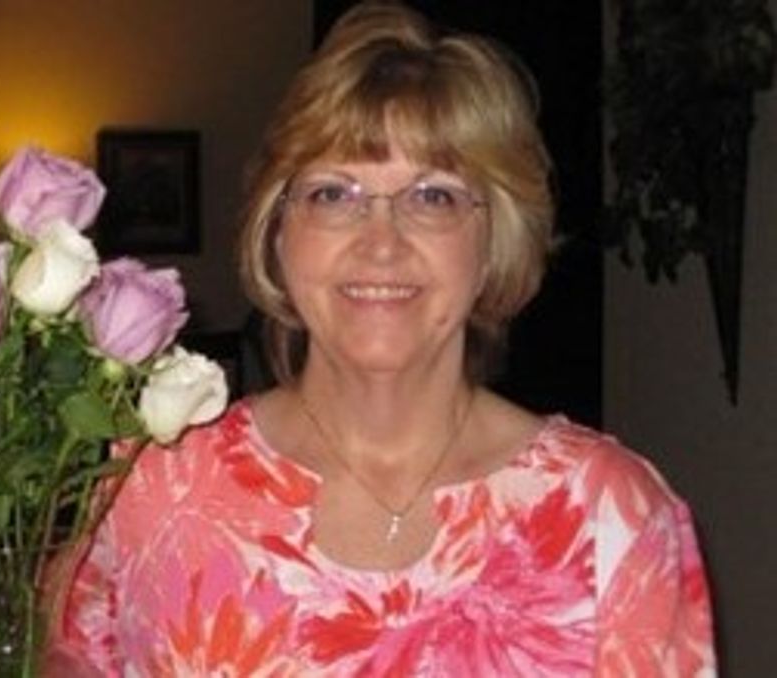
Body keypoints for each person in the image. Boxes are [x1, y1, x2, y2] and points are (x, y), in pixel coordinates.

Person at [46, 2, 716, 674]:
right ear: (278, 232)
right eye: (334, 194)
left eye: (433, 196)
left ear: (494, 240)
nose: (381, 243)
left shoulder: (609, 515)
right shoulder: (154, 482)